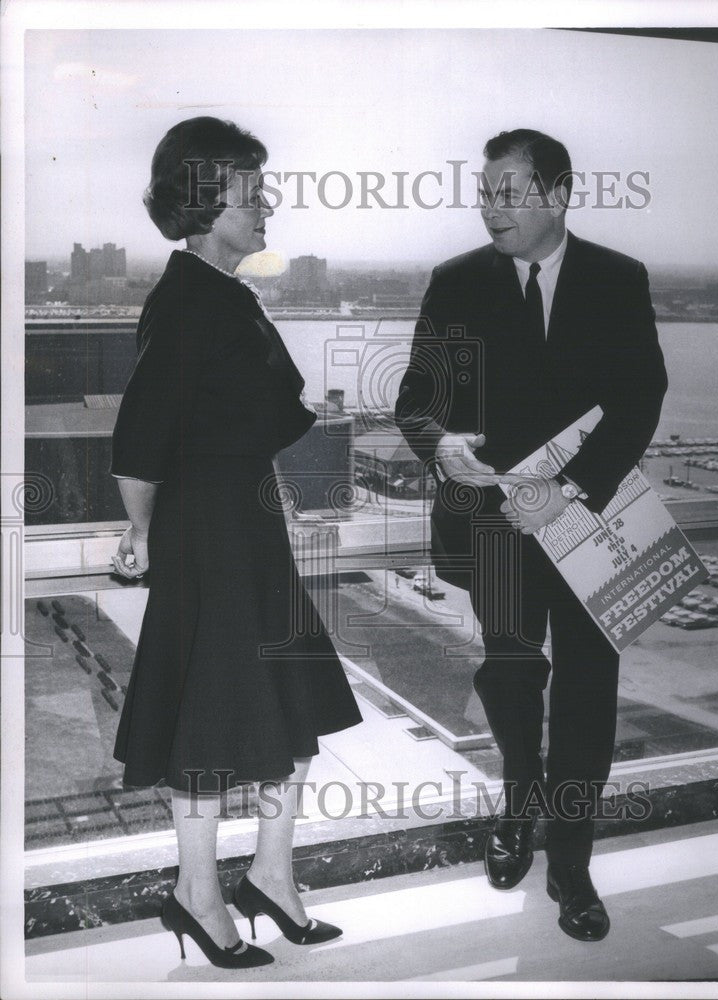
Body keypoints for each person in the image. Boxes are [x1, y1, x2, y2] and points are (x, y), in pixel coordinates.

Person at [395, 129, 667, 942]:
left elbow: (640, 396)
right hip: (495, 530)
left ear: (556, 194)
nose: (490, 207)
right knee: (510, 676)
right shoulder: (455, 283)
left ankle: (573, 860)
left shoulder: (618, 279)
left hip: (585, 524)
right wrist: (435, 443)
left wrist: (571, 486)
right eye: (484, 193)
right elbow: (416, 395)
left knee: (588, 693)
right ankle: (519, 806)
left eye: (507, 192)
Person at [109, 116, 362, 969]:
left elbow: (253, 419)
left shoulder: (226, 296)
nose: (268, 208)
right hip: (205, 540)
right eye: (252, 195)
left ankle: (272, 878)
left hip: (250, 528)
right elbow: (140, 442)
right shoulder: (183, 302)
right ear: (203, 201)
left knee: (279, 711)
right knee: (210, 720)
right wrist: (141, 535)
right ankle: (197, 893)